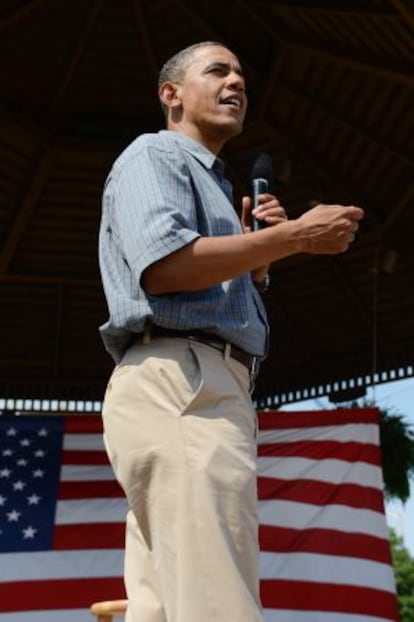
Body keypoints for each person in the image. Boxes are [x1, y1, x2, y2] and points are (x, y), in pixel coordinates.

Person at [98, 41, 364, 622]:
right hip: (185, 383)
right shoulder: (155, 155)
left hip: (196, 383)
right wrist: (291, 238)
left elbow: (204, 285)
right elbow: (164, 268)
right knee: (218, 599)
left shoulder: (219, 186)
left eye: (242, 74)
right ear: (171, 95)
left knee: (167, 606)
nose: (236, 82)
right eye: (217, 71)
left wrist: (258, 258)